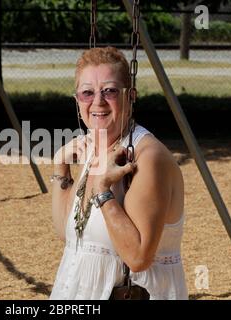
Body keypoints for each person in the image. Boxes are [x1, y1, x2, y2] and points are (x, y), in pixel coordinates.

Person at [50, 47, 188, 300]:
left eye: (110, 91)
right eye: (87, 92)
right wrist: (61, 166)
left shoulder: (147, 158)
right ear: (77, 100)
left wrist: (103, 192)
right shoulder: (94, 146)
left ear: (130, 96)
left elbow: (138, 257)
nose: (98, 101)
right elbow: (69, 233)